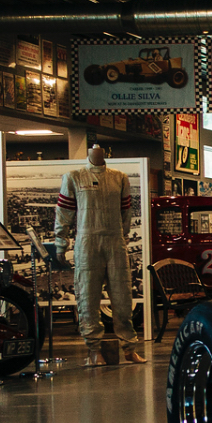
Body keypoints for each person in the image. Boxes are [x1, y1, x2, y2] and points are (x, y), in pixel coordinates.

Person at [55, 144, 143, 367]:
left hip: (115, 242)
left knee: (123, 298)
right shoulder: (73, 177)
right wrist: (60, 242)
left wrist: (122, 236)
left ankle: (129, 347)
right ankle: (94, 349)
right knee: (88, 298)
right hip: (87, 242)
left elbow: (126, 212)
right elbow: (64, 213)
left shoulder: (120, 178)